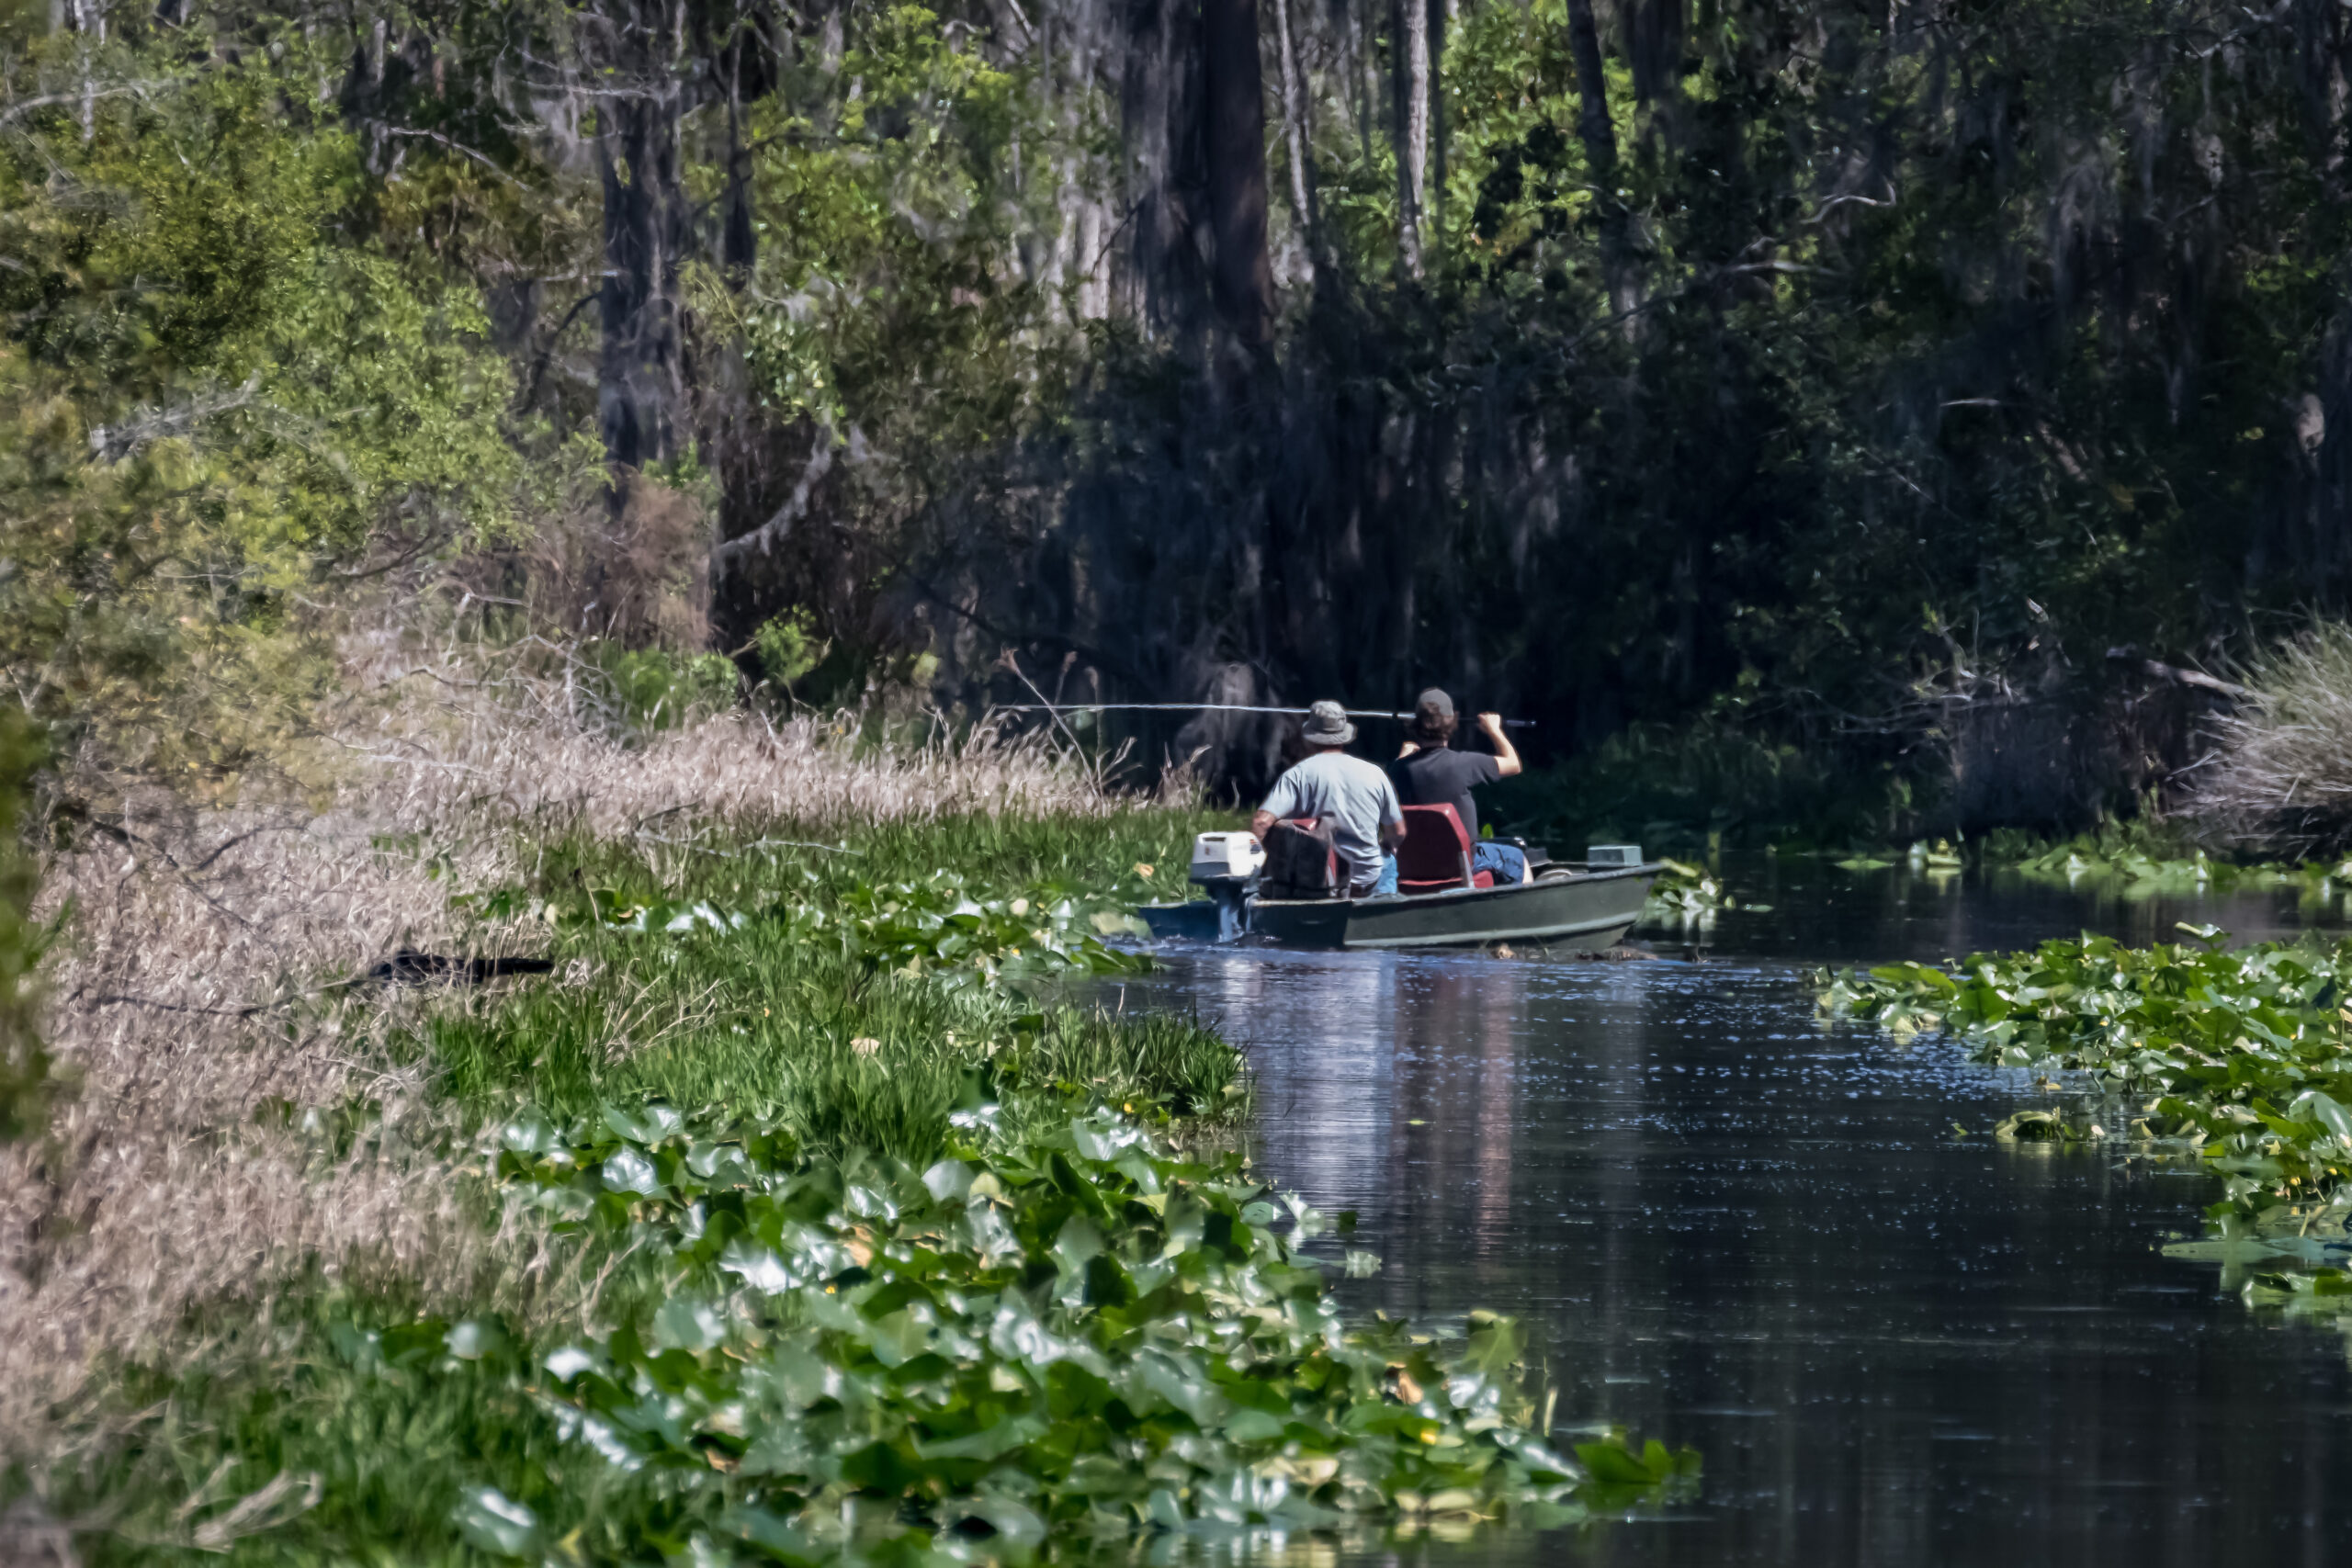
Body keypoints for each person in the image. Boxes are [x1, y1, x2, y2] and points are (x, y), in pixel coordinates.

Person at [1251, 700, 1407, 897]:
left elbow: (1261, 822)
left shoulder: (1298, 775)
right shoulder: (1375, 773)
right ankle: (1384, 911)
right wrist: (1382, 846)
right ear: (1344, 736)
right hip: (1368, 879)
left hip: (1318, 882)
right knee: (1387, 859)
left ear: (1309, 738)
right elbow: (1398, 832)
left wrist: (1266, 865)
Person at [1387, 689, 1530, 885]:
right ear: (1451, 723)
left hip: (1413, 863)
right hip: (1462, 863)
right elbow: (1514, 764)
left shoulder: (1398, 769)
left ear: (1417, 724)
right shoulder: (1464, 764)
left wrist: (1402, 756)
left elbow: (1393, 777)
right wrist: (1494, 730)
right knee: (1516, 857)